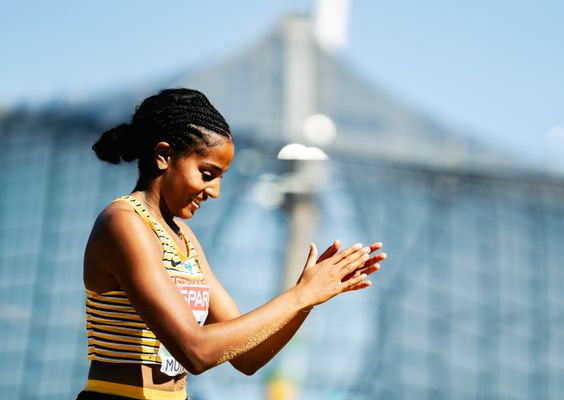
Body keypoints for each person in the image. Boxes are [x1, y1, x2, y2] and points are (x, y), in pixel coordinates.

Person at [78, 88, 386, 399]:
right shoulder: (124, 223)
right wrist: (299, 295)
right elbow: (195, 351)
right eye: (207, 174)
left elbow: (247, 358)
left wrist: (309, 298)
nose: (215, 191)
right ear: (164, 156)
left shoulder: (184, 238)